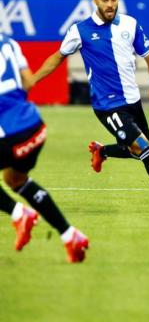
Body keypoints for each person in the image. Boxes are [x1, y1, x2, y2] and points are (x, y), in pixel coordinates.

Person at [33, 0, 149, 212]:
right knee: (147, 152)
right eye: (105, 0)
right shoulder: (80, 30)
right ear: (95, 1)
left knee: (134, 151)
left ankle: (102, 150)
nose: (110, 4)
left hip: (132, 102)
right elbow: (57, 57)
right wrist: (32, 81)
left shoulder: (130, 24)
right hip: (107, 106)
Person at [0, 34, 89, 263]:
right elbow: (28, 83)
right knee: (15, 180)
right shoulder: (8, 42)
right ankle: (71, 236)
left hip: (9, 133)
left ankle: (20, 214)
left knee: (14, 182)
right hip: (34, 127)